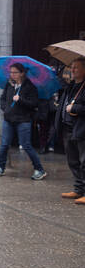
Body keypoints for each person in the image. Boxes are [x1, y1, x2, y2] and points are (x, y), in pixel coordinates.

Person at [0, 63, 48, 180]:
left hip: (23, 120)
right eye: (11, 72)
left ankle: (39, 169)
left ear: (22, 73)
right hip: (9, 119)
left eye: (15, 72)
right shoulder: (9, 85)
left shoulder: (30, 87)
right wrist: (5, 108)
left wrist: (20, 100)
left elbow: (34, 104)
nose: (12, 75)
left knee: (26, 145)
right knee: (4, 145)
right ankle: (0, 167)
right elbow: (2, 98)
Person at [56, 58, 85, 204]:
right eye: (72, 67)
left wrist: (74, 109)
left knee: (84, 161)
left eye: (76, 68)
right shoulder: (72, 86)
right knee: (73, 161)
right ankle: (79, 189)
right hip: (68, 128)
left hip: (81, 129)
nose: (72, 70)